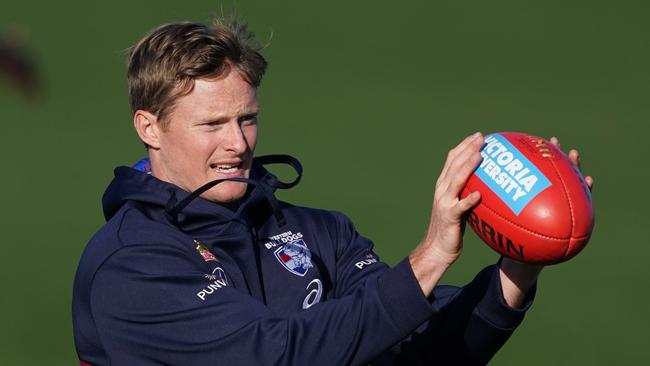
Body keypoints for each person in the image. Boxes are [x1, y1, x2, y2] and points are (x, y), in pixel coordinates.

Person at [72, 18, 593, 366]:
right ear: (149, 127)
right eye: (211, 124)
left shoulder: (318, 231)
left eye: (247, 118)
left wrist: (519, 263)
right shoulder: (130, 265)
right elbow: (276, 354)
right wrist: (431, 257)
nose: (237, 143)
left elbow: (411, 347)